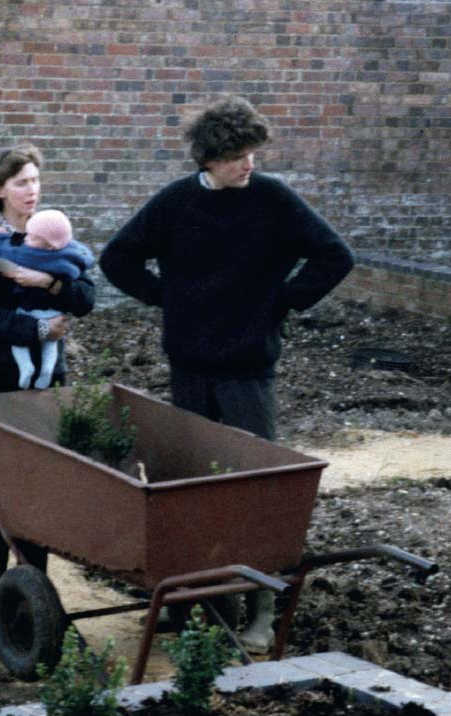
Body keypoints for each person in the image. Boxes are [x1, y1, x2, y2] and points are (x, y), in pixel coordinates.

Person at [100, 97, 354, 652]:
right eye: (237, 156)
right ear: (208, 160)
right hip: (190, 367)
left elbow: (335, 255)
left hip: (247, 370)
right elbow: (117, 257)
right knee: (193, 487)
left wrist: (280, 303)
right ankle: (203, 604)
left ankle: (261, 610)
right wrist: (169, 299)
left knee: (257, 488)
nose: (249, 165)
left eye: (252, 154)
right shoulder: (175, 204)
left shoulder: (274, 200)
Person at [0, 144, 95, 622]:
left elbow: (85, 297)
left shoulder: (54, 232)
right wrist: (37, 329)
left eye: (35, 181)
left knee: (38, 484)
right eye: (20, 183)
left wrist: (51, 285)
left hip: (45, 383)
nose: (31, 190)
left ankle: (33, 588)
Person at [0, 209, 95, 389]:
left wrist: (0, 236)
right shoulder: (70, 253)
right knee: (51, 346)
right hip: (54, 314)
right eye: (22, 183)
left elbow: (6, 253)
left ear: (47, 244)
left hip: (29, 310)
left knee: (19, 343)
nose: (26, 240)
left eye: (31, 238)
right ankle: (47, 369)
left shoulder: (29, 253)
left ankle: (26, 367)